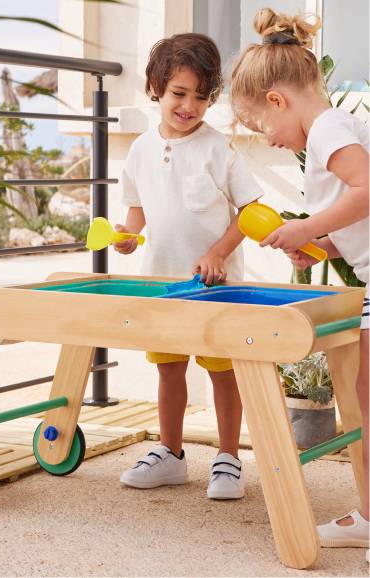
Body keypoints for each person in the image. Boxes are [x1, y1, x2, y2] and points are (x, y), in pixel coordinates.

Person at [229, 7, 369, 554]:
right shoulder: (333, 130)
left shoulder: (330, 129)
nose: (269, 139)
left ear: (277, 101)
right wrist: (324, 244)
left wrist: (306, 226)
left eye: (263, 127)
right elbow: (357, 211)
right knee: (361, 394)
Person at [115, 33, 262, 498]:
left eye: (201, 97)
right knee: (169, 368)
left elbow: (251, 211)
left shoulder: (219, 148)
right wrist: (126, 234)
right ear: (156, 87)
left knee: (222, 370)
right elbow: (136, 210)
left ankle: (228, 458)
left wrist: (218, 253)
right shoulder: (139, 149)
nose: (189, 106)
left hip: (217, 288)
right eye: (179, 93)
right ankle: (171, 453)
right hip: (163, 283)